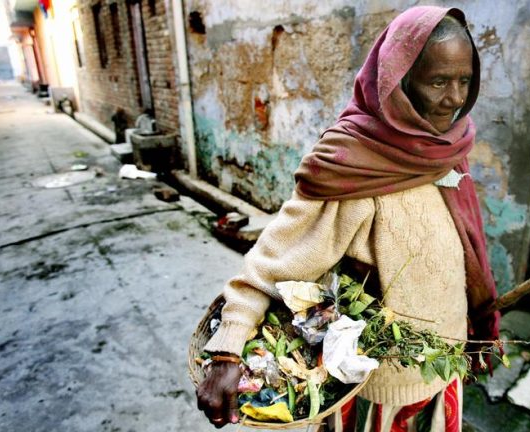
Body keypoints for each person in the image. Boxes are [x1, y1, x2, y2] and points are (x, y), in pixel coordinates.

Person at [196, 6, 500, 431]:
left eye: (464, 81)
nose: (454, 99)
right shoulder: (353, 163)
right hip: (378, 395)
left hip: (442, 371)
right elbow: (272, 261)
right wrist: (227, 351)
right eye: (437, 82)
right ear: (400, 81)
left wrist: (474, 320)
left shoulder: (446, 147)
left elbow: (462, 253)